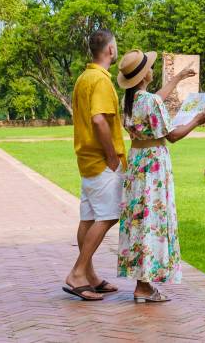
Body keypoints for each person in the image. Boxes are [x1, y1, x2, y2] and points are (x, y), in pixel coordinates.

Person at [115, 49, 205, 303]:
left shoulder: (131, 101)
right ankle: (144, 286)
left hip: (137, 164)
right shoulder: (150, 102)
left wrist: (177, 78)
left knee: (140, 220)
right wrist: (196, 121)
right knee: (152, 220)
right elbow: (173, 136)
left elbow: (156, 98)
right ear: (145, 75)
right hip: (154, 166)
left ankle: (141, 281)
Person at [62, 29, 125, 301]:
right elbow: (99, 120)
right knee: (109, 215)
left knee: (88, 217)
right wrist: (111, 156)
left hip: (86, 159)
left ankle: (89, 275)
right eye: (116, 46)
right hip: (101, 162)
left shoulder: (83, 78)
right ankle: (77, 273)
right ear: (110, 50)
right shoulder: (99, 80)